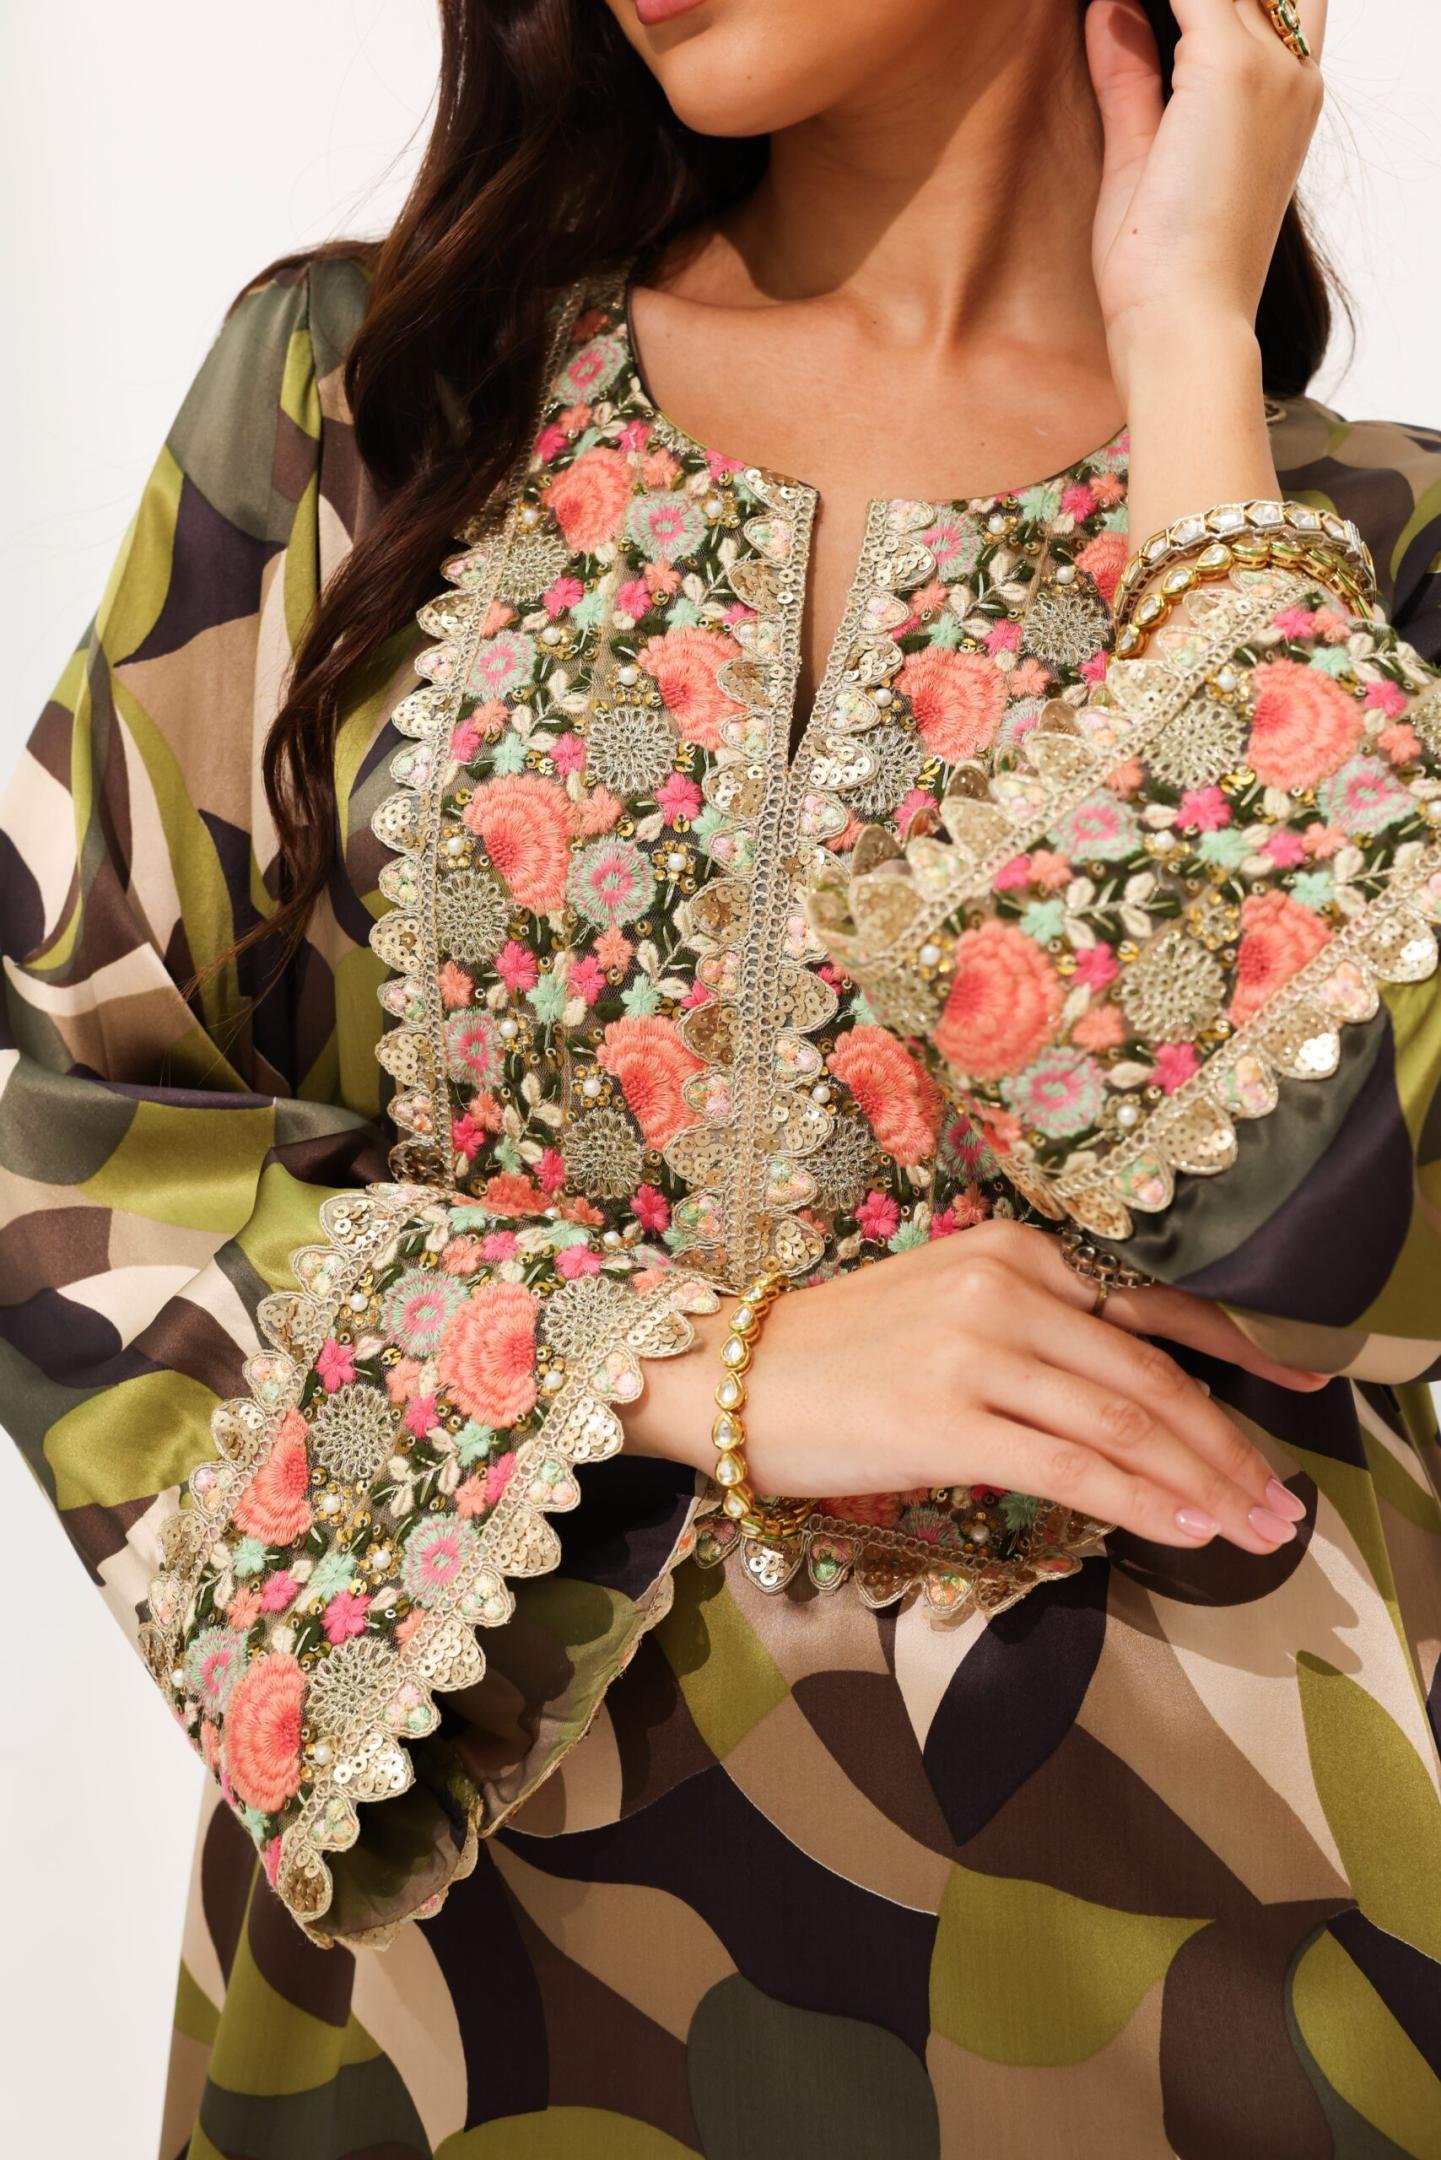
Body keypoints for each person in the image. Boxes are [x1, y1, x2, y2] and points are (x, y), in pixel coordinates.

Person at [5, 0, 1440, 2150]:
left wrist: (1186, 369)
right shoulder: (380, 405)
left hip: (1214, 1987)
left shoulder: (1371, 545)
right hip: (452, 2014)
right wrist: (681, 1364)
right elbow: (51, 1111)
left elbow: (1353, 1232)